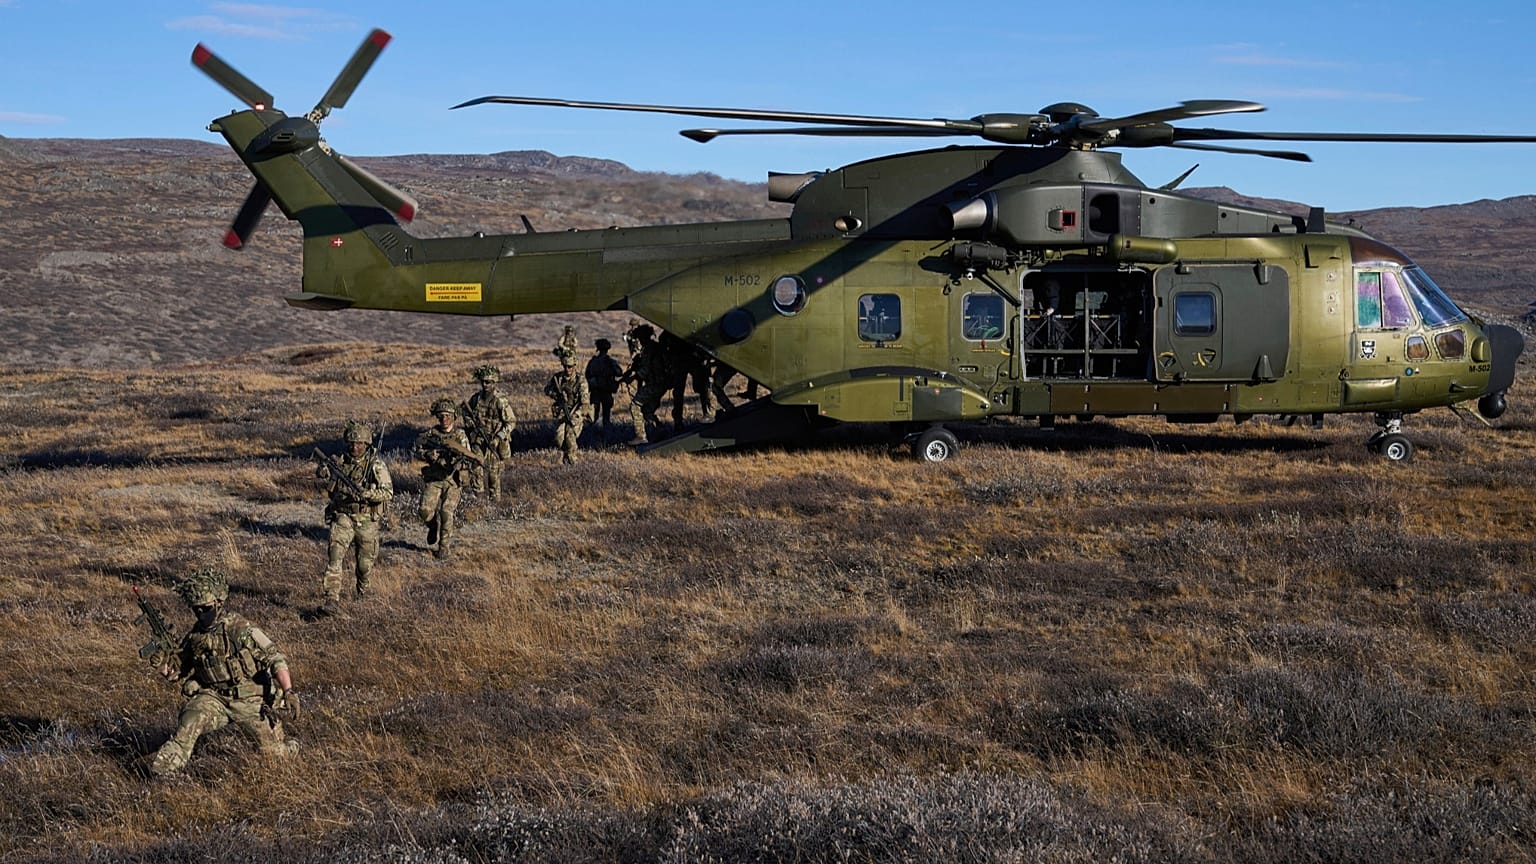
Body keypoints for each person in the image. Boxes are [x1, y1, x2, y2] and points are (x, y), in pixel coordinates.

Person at [148, 567, 297, 777]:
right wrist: (162, 665)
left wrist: (288, 691)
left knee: (273, 758)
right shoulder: (196, 636)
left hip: (248, 701)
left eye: (205, 608)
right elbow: (177, 672)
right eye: (196, 610)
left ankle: (289, 748)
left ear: (218, 603)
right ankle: (162, 774)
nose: (201, 614)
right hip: (214, 697)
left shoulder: (241, 629)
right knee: (189, 722)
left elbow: (276, 659)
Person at [314, 420, 393, 616]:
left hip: (366, 519)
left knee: (364, 565)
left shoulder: (376, 466)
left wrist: (367, 494)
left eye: (359, 444)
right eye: (351, 443)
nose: (355, 447)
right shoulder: (340, 461)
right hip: (343, 516)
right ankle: (331, 598)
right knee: (335, 557)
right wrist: (324, 470)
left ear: (367, 444)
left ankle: (363, 591)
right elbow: (323, 475)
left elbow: (388, 492)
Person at [413, 398, 478, 559]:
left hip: (452, 480)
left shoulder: (460, 436)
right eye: (441, 416)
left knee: (446, 512)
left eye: (448, 415)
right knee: (424, 511)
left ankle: (444, 547)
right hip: (434, 479)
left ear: (454, 417)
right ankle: (432, 526)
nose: (444, 419)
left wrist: (456, 460)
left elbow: (468, 456)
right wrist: (428, 454)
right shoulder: (430, 435)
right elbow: (416, 449)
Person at [463, 365, 516, 501]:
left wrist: (499, 437)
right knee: (475, 466)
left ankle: (495, 500)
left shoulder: (500, 401)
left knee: (493, 473)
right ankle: (477, 496)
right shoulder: (476, 399)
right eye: (483, 382)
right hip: (479, 439)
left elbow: (511, 422)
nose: (485, 385)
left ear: (494, 383)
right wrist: (471, 424)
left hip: (494, 441)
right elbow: (465, 413)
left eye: (488, 382)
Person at [620, 323, 665, 444]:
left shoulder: (649, 349)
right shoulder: (655, 347)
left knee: (635, 406)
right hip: (661, 384)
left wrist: (632, 378)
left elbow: (645, 370)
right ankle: (661, 432)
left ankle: (640, 436)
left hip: (654, 384)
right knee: (647, 411)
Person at [545, 346, 591, 463]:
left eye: (570, 366)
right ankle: (566, 458)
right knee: (559, 440)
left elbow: (585, 402)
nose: (567, 369)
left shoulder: (581, 381)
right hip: (562, 412)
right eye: (565, 366)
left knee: (570, 437)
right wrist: (556, 395)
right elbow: (547, 389)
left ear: (574, 366)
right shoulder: (558, 378)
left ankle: (573, 461)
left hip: (576, 412)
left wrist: (577, 414)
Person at [584, 338, 623, 431]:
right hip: (605, 390)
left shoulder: (593, 361)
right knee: (606, 416)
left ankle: (590, 432)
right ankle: (605, 433)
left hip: (596, 391)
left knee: (594, 415)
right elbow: (619, 373)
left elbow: (587, 374)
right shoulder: (610, 362)